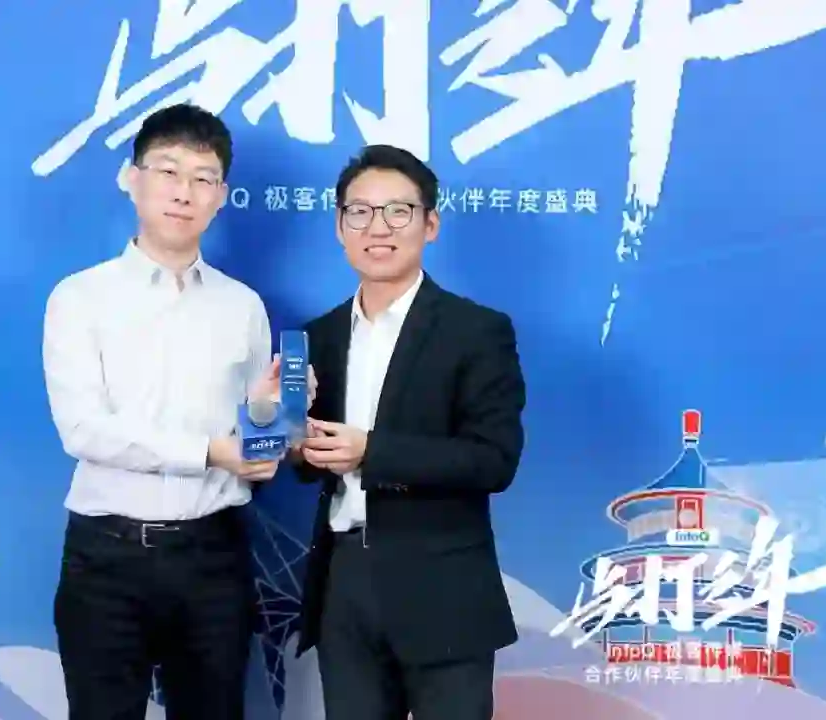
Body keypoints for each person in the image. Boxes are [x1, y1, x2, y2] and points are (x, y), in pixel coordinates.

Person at [43, 104, 298, 720]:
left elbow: (253, 431)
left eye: (203, 178)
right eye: (168, 171)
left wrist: (275, 416)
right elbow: (84, 430)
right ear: (132, 179)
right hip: (107, 558)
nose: (184, 192)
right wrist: (212, 452)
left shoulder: (242, 306)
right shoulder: (80, 298)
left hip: (214, 555)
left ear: (221, 196)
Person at [291, 144, 526, 720]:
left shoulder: (476, 330)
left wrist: (371, 451)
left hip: (442, 582)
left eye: (398, 211)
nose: (378, 228)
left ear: (430, 224)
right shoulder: (318, 336)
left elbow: (493, 460)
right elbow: (308, 460)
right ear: (340, 228)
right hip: (344, 579)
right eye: (360, 212)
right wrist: (292, 440)